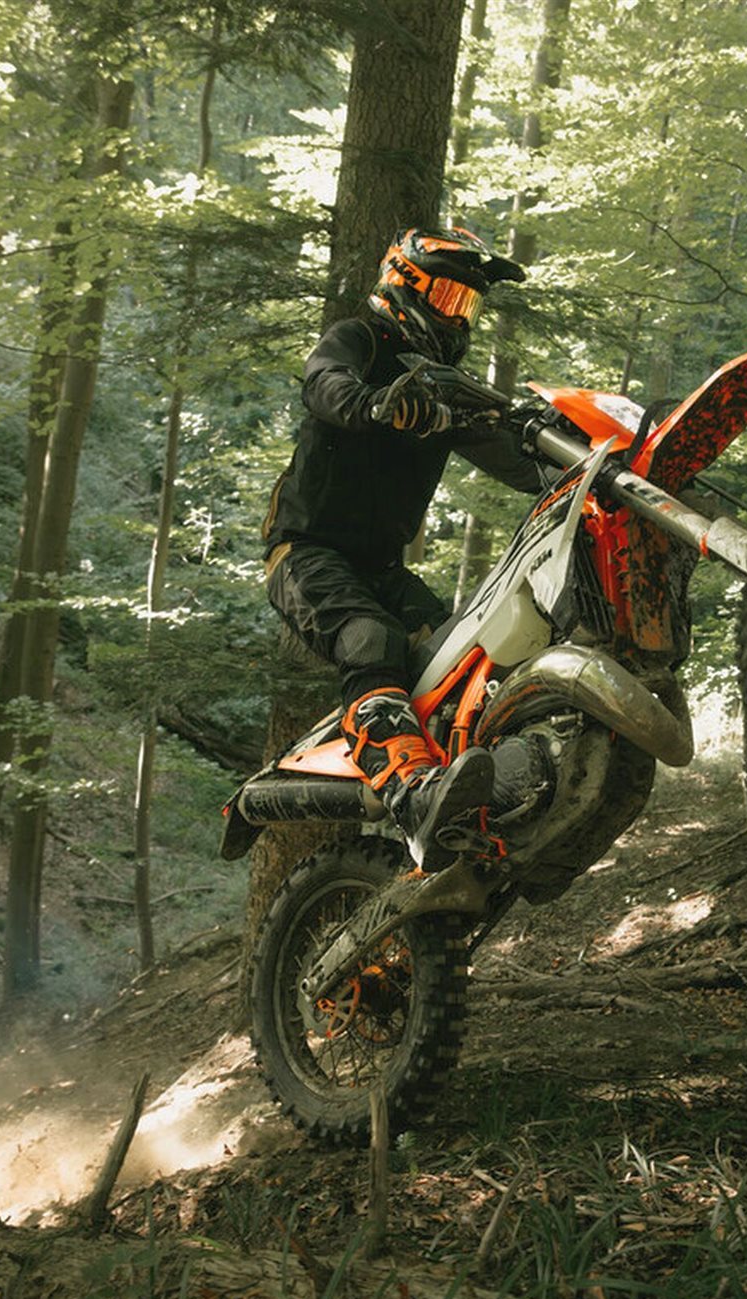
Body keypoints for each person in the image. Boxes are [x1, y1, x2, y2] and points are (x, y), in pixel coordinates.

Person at [262, 226, 550, 872]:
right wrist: (377, 406)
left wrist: (577, 458)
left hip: (382, 570)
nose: (457, 317)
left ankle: (487, 786)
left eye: (467, 305)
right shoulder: (358, 340)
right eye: (447, 297)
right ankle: (411, 796)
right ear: (405, 286)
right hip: (305, 554)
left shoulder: (441, 388)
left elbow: (516, 461)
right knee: (371, 639)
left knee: (468, 654)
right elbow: (322, 383)